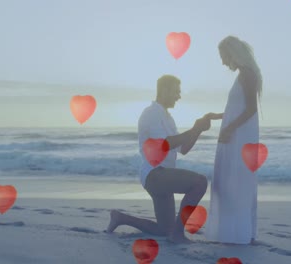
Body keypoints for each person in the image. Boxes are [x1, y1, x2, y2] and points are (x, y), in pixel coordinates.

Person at [106, 74, 212, 244]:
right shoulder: (151, 113)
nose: (179, 96)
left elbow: (183, 149)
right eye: (176, 92)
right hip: (155, 174)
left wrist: (198, 130)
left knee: (164, 230)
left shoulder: (167, 117)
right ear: (164, 90)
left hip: (162, 175)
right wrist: (194, 128)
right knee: (200, 182)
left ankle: (120, 218)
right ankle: (178, 234)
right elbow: (164, 145)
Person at [205, 36, 263, 244]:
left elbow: (250, 109)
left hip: (239, 137)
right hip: (238, 135)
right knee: (230, 181)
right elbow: (238, 108)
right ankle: (232, 231)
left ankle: (234, 233)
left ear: (233, 53)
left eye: (223, 56)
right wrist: (220, 116)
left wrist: (229, 127)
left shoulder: (247, 75)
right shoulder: (243, 74)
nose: (222, 62)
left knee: (233, 182)